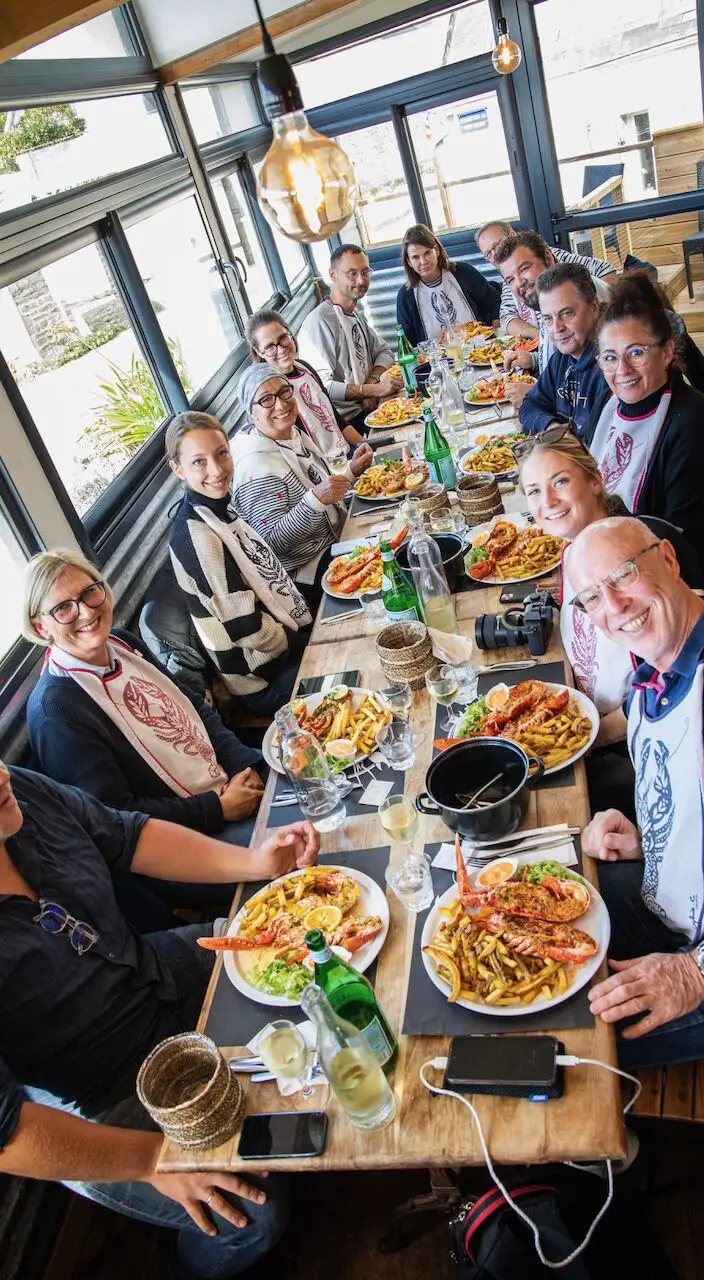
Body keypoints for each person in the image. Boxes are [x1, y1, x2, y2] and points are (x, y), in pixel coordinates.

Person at [0, 758, 317, 1279]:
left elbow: (130, 837)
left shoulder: (20, 792)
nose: (1, 776)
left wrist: (255, 862)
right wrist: (152, 1162)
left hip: (156, 971)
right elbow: (9, 1133)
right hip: (99, 1091)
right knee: (255, 1215)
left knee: (305, 944)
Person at [568, 517, 704, 1070]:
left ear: (668, 558)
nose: (615, 606)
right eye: (591, 597)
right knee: (540, 899)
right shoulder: (660, 666)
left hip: (696, 961)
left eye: (624, 574)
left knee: (563, 1045)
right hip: (671, 905)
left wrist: (694, 972)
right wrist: (651, 842)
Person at [24, 549, 265, 847]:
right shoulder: (56, 710)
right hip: (187, 839)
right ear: (40, 627)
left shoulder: (122, 642)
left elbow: (193, 705)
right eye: (63, 608)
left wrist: (244, 765)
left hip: (230, 782)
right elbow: (115, 817)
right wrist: (217, 809)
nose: (86, 612)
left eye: (89, 592)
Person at [518, 429, 702, 817]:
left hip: (636, 745)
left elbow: (671, 680)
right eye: (534, 491)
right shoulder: (572, 554)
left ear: (595, 481)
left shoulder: (642, 545)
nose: (547, 501)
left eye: (560, 482)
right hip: (587, 713)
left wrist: (587, 737)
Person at [167, 412, 312, 719]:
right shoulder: (196, 536)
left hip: (280, 645)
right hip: (263, 680)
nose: (217, 470)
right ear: (177, 469)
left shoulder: (218, 507)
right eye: (199, 462)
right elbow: (247, 629)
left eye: (222, 454)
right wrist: (305, 638)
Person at [584, 272, 704, 567]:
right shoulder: (607, 401)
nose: (622, 369)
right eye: (610, 357)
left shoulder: (692, 420)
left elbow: (681, 540)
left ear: (667, 352)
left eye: (635, 352)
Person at [231, 364, 372, 609]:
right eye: (266, 399)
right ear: (251, 412)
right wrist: (314, 500)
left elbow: (321, 490)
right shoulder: (255, 465)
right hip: (308, 573)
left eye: (284, 391)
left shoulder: (291, 435)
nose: (280, 404)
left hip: (334, 541)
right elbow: (272, 543)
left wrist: (351, 472)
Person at [493, 231, 614, 400]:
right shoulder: (548, 295)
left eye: (525, 269)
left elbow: (590, 395)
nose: (519, 282)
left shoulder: (577, 294)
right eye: (510, 280)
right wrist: (534, 360)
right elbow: (567, 359)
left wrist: (536, 395)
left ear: (548, 259)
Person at [298, 243, 402, 435]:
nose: (361, 280)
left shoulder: (354, 313)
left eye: (365, 272)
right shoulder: (319, 322)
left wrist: (372, 382)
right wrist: (372, 391)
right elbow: (322, 386)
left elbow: (385, 352)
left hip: (371, 409)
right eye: (352, 273)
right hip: (348, 425)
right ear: (333, 275)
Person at [477, 221, 615, 343]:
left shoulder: (566, 272)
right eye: (489, 253)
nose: (495, 253)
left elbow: (605, 271)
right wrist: (540, 345)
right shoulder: (518, 283)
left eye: (524, 268)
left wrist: (596, 298)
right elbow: (506, 317)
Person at [247, 309, 364, 450]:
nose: (281, 349)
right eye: (270, 347)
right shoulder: (271, 393)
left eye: (283, 338)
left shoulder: (305, 367)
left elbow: (335, 419)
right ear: (258, 352)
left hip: (345, 452)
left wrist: (366, 445)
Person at [518, 263, 606, 436]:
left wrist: (560, 439)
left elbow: (593, 442)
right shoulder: (561, 359)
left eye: (566, 313)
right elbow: (529, 406)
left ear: (594, 307)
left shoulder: (611, 366)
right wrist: (553, 429)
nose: (557, 328)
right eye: (548, 319)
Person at [396, 223, 499, 345]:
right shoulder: (405, 296)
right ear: (408, 261)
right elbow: (407, 341)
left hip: (482, 347)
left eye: (427, 253)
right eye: (415, 257)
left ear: (437, 251)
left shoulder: (464, 272)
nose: (423, 261)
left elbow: (493, 300)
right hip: (437, 355)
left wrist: (497, 331)